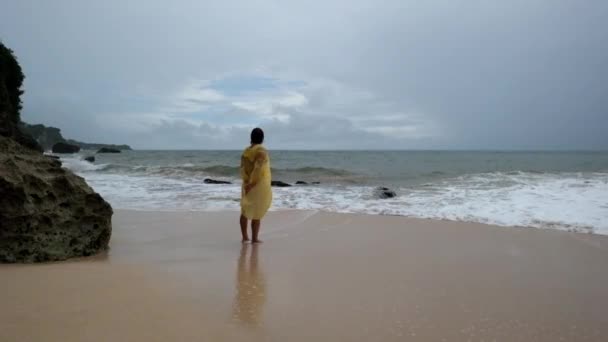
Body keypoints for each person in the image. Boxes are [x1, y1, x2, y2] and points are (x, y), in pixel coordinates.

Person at [240, 128, 272, 243]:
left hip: (246, 183)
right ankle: (254, 238)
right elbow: (258, 170)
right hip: (257, 185)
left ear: (251, 137)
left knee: (244, 210)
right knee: (257, 211)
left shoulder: (245, 152)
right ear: (262, 138)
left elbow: (242, 168)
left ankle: (244, 237)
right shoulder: (261, 151)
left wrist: (246, 183)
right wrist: (252, 184)